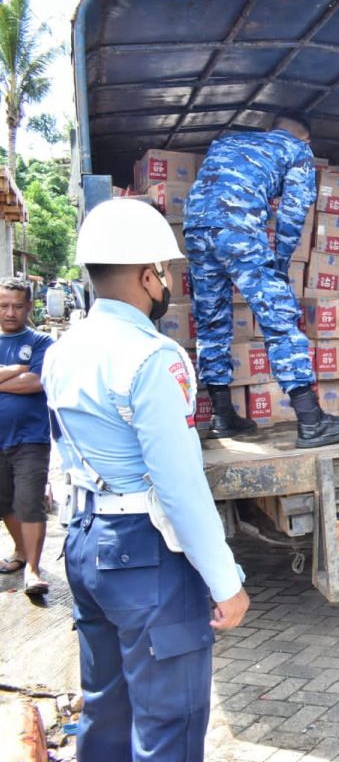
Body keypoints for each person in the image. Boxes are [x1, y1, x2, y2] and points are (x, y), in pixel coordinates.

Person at [42, 198, 250, 762]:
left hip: (85, 543)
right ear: (145, 275)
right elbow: (180, 486)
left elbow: (63, 456)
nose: (170, 283)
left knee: (105, 710)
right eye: (166, 271)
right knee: (168, 727)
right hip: (145, 556)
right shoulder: (152, 358)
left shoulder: (60, 352)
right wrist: (226, 581)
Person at [185, 112, 339, 448]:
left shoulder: (227, 142)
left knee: (211, 322)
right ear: (306, 138)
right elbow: (293, 210)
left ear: (270, 129)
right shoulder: (297, 150)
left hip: (195, 229)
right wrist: (281, 264)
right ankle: (312, 421)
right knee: (279, 317)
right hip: (237, 226)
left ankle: (222, 416)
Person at [0, 277, 54, 596]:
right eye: (4, 306)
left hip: (30, 439)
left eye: (17, 306)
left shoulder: (41, 342)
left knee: (29, 502)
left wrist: (24, 374)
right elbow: (25, 375)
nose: (10, 312)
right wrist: (17, 370)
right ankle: (20, 552)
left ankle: (33, 569)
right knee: (4, 501)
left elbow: (36, 382)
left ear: (29, 307)